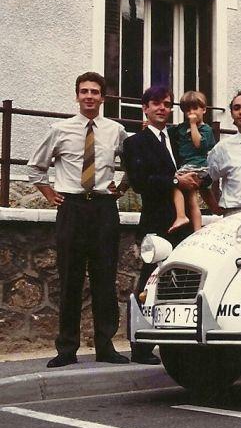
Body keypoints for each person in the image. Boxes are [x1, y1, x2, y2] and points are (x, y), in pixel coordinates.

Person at [28, 72, 130, 367]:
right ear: (77, 96)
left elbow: (133, 162)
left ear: (103, 98)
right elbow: (36, 167)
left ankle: (105, 346)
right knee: (70, 278)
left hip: (103, 209)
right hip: (72, 208)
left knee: (105, 278)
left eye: (95, 92)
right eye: (84, 91)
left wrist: (122, 187)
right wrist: (49, 193)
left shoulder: (115, 131)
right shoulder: (60, 129)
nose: (89, 96)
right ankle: (67, 349)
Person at [122, 86, 199, 365]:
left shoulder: (177, 138)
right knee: (149, 282)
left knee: (185, 281)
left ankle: (179, 343)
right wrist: (176, 181)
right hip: (157, 221)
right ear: (145, 108)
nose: (162, 108)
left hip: (184, 221)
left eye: (166, 104)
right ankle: (141, 346)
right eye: (156, 103)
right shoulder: (135, 143)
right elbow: (140, 182)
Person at [167, 91, 219, 233]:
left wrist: (193, 125)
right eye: (187, 110)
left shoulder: (206, 129)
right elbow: (166, 133)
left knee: (174, 182)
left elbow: (199, 145)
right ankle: (214, 212)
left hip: (198, 166)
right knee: (195, 196)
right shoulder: (181, 128)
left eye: (195, 108)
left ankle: (181, 216)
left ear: (204, 109)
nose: (191, 113)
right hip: (188, 165)